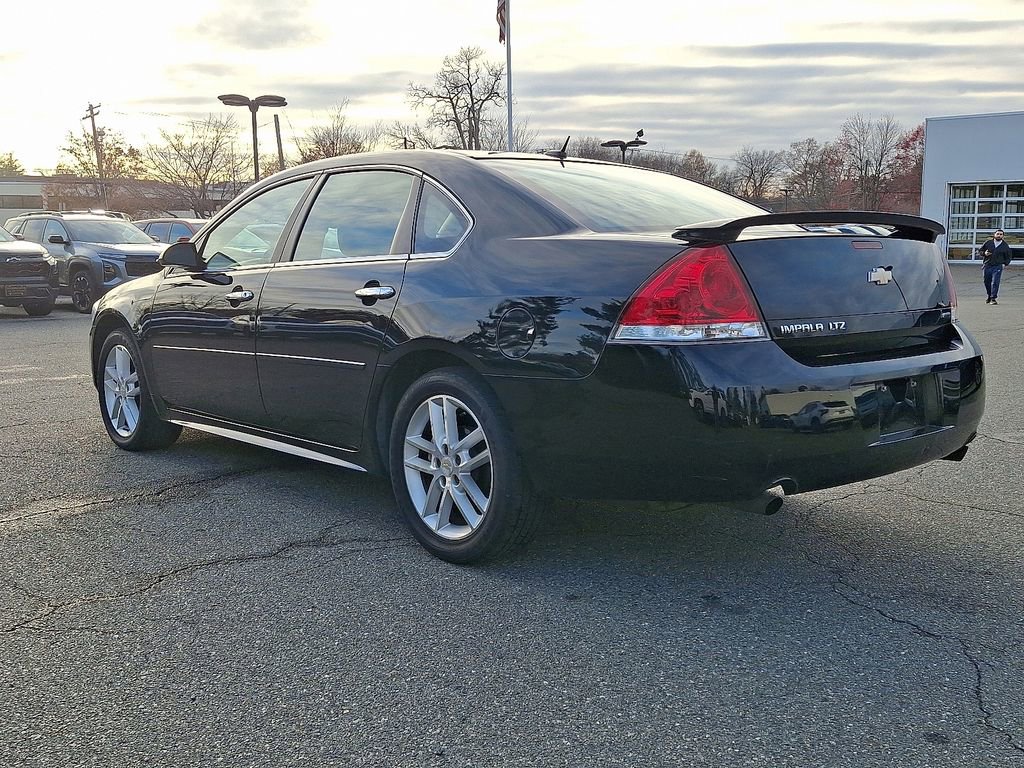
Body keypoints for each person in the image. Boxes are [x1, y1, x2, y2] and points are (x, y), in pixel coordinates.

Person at [980, 229, 1012, 304]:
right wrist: (984, 253)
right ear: (994, 235)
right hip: (987, 265)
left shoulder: (1005, 246)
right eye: (998, 234)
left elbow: (1008, 256)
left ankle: (993, 298)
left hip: (997, 266)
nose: (999, 235)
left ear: (1003, 236)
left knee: (995, 282)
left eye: (1001, 234)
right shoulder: (988, 243)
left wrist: (1005, 264)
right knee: (987, 281)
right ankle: (989, 295)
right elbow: (980, 251)